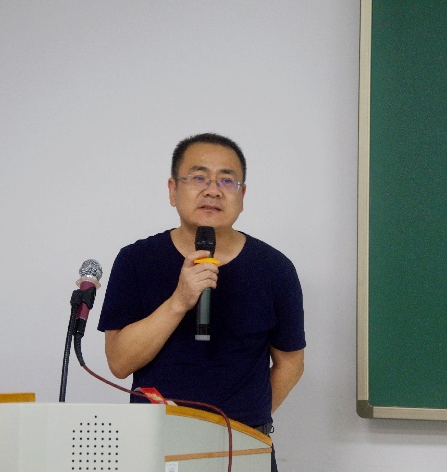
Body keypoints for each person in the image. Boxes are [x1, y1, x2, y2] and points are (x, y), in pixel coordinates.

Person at [97, 133, 305, 471]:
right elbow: (119, 363)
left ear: (242, 195)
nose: (213, 190)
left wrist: (244, 423)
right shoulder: (136, 260)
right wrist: (179, 301)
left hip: (242, 444)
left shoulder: (275, 269)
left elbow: (291, 364)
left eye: (227, 180)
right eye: (198, 178)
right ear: (172, 190)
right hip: (156, 443)